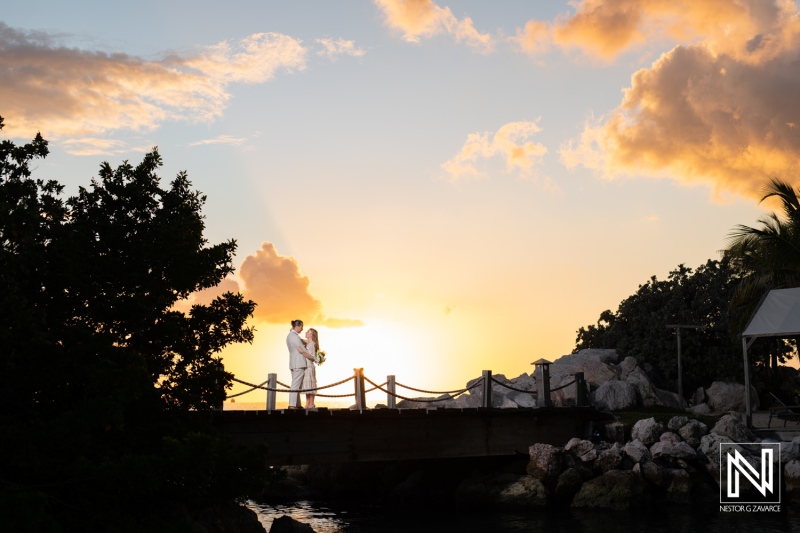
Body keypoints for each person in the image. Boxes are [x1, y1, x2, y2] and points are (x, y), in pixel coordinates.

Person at [286, 319, 314, 409]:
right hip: (298, 363)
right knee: (295, 384)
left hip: (294, 362)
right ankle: (292, 404)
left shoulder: (291, 335)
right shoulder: (294, 336)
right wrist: (310, 356)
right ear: (297, 326)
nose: (302, 329)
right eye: (301, 326)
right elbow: (302, 349)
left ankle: (297, 404)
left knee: (296, 384)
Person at [302, 328, 320, 409]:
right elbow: (300, 340)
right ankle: (308, 403)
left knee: (310, 384)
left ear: (311, 335)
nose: (306, 332)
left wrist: (302, 352)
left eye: (308, 332)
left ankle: (311, 403)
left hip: (309, 365)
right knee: (307, 385)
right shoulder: (308, 342)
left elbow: (312, 356)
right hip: (306, 365)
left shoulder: (312, 344)